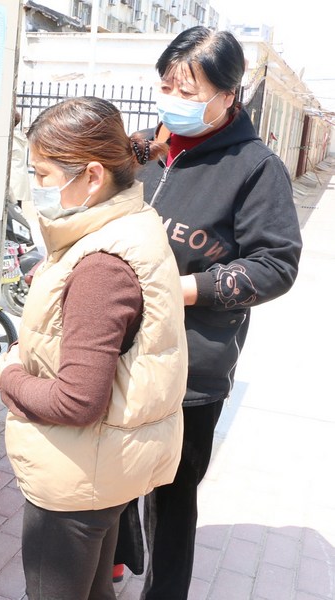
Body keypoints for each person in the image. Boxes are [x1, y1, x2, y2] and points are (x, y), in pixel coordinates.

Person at [119, 26, 302, 600]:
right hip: (119, 346)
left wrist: (183, 289)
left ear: (228, 95)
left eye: (188, 91)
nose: (173, 100)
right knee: (111, 468)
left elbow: (276, 265)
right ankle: (118, 557)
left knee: (173, 498)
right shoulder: (144, 148)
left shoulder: (255, 167)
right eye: (166, 86)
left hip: (191, 366)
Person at [0, 96, 188, 600]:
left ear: (93, 176)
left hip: (76, 476)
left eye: (43, 174)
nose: (36, 186)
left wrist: (8, 374)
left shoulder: (101, 264)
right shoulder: (130, 223)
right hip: (103, 468)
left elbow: (77, 401)